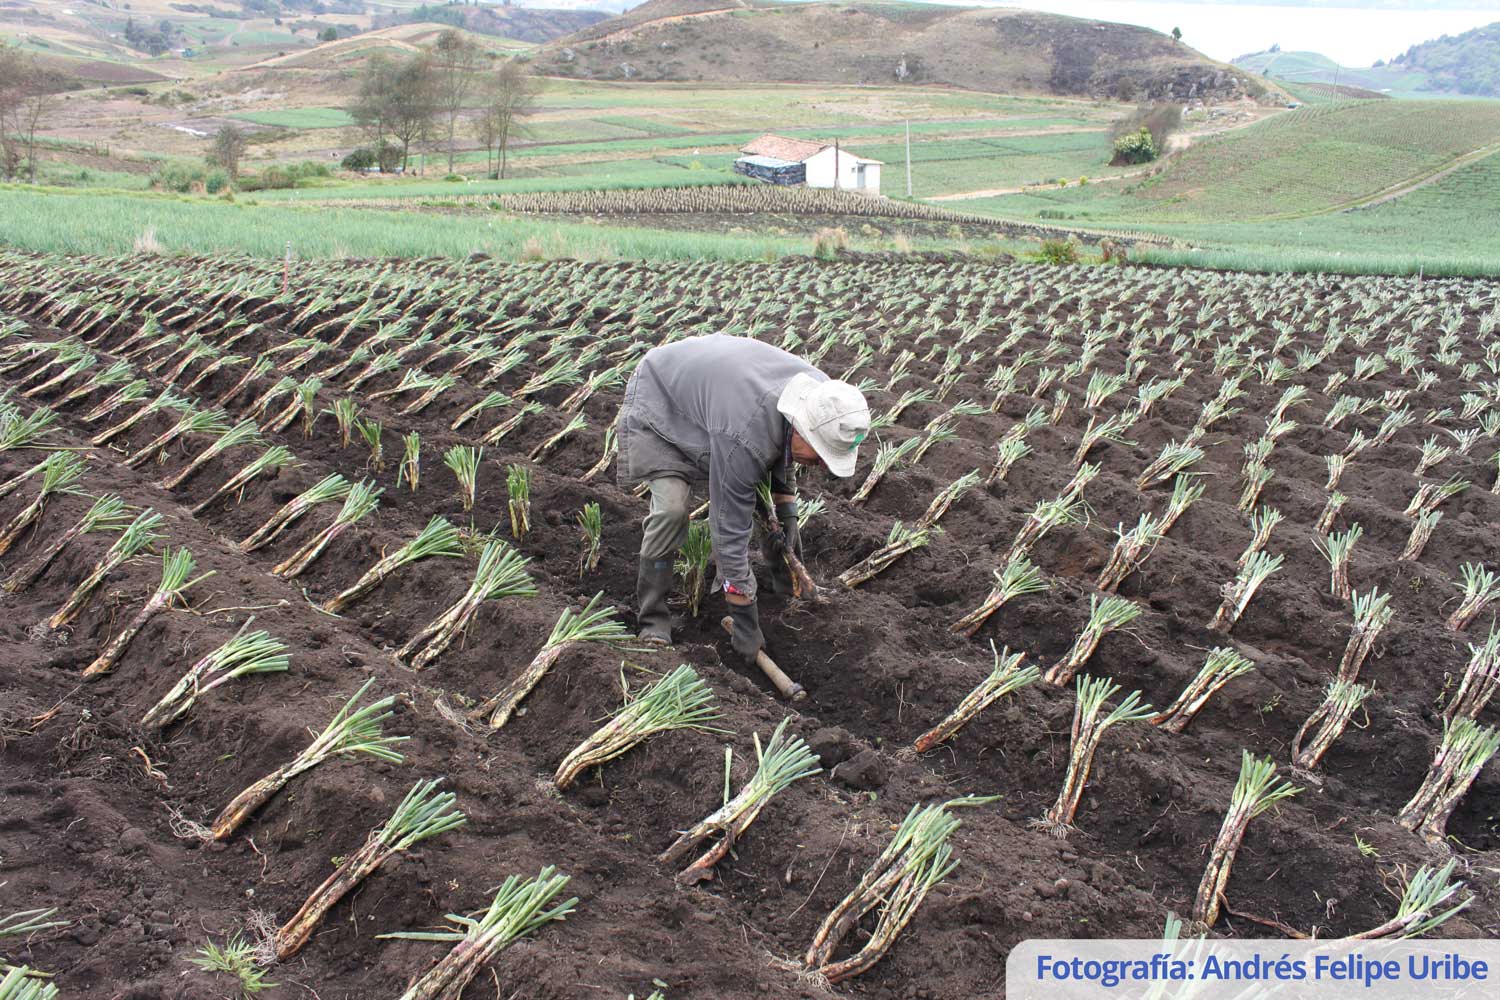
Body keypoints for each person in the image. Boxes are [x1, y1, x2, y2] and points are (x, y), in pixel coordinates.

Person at [616, 334, 870, 662]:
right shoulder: (743, 436)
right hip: (662, 398)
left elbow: (782, 447)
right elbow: (728, 531)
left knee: (762, 484)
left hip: (720, 400)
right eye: (821, 453)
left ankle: (783, 587)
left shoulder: (824, 399)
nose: (822, 463)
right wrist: (743, 615)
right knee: (671, 511)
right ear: (801, 428)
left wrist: (786, 509)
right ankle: (653, 620)